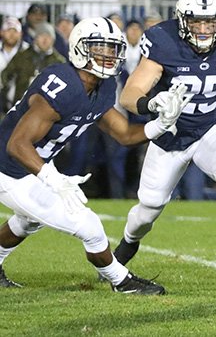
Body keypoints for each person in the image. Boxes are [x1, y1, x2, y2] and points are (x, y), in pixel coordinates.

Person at [0, 17, 185, 295]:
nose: (108, 55)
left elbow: (122, 133)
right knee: (88, 225)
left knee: (28, 220)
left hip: (29, 167)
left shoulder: (102, 86)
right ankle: (122, 281)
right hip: (10, 168)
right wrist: (53, 179)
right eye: (100, 47)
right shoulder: (63, 82)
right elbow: (17, 144)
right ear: (79, 48)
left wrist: (160, 124)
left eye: (112, 49)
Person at [111, 0, 216, 294]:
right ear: (182, 21)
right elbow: (129, 95)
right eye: (196, 22)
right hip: (171, 134)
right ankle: (126, 246)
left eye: (210, 22)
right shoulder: (163, 40)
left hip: (210, 127)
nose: (204, 29)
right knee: (148, 210)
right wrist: (151, 104)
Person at [1, 23, 66, 110]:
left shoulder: (59, 62)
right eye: (42, 35)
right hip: (20, 106)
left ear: (53, 40)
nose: (45, 40)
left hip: (48, 109)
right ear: (35, 38)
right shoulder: (22, 56)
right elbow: (5, 75)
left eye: (48, 37)